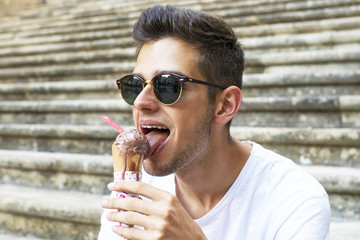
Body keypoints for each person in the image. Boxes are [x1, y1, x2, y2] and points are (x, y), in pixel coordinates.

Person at [98, 4, 330, 240]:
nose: (139, 102)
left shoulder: (295, 200)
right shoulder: (131, 193)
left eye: (166, 85)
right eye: (134, 85)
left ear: (225, 105)